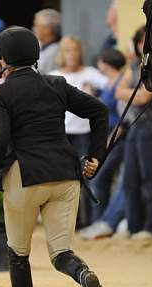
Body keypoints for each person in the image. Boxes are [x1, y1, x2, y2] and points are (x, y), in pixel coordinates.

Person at [0, 26, 110, 287]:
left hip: (25, 177)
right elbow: (100, 111)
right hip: (66, 176)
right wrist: (96, 156)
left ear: (3, 60)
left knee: (18, 253)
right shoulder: (56, 84)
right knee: (61, 253)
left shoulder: (0, 93)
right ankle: (83, 274)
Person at [115, 26, 152, 239]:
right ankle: (134, 226)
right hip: (135, 126)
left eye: (146, 41)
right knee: (130, 179)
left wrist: (129, 93)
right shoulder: (132, 65)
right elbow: (118, 92)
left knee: (149, 177)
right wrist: (133, 93)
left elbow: (143, 98)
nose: (143, 46)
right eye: (140, 42)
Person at [50, 36, 108, 226]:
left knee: (88, 176)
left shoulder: (90, 73)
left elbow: (111, 87)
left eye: (75, 50)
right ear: (62, 54)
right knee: (63, 180)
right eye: (68, 50)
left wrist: (96, 96)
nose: (72, 55)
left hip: (84, 133)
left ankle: (93, 221)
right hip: (62, 134)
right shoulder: (53, 76)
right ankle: (69, 223)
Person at [80, 48, 128, 239]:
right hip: (108, 136)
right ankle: (98, 222)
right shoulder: (110, 83)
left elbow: (121, 118)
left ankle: (101, 222)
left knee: (101, 178)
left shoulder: (119, 83)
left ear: (105, 63)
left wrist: (107, 143)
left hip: (116, 139)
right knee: (102, 179)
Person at [32, 9, 61, 75]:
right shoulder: (37, 45)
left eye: (36, 25)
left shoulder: (56, 50)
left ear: (47, 29)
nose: (34, 28)